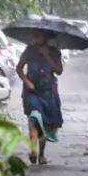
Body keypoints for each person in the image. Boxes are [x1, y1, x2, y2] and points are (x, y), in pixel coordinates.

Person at [16, 30, 64, 165]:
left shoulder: (54, 52)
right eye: (34, 35)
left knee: (45, 123)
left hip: (48, 92)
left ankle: (41, 154)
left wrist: (47, 56)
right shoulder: (29, 50)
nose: (35, 37)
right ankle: (33, 151)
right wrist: (27, 81)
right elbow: (19, 68)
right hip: (32, 91)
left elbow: (59, 71)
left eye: (39, 35)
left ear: (46, 37)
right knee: (34, 119)